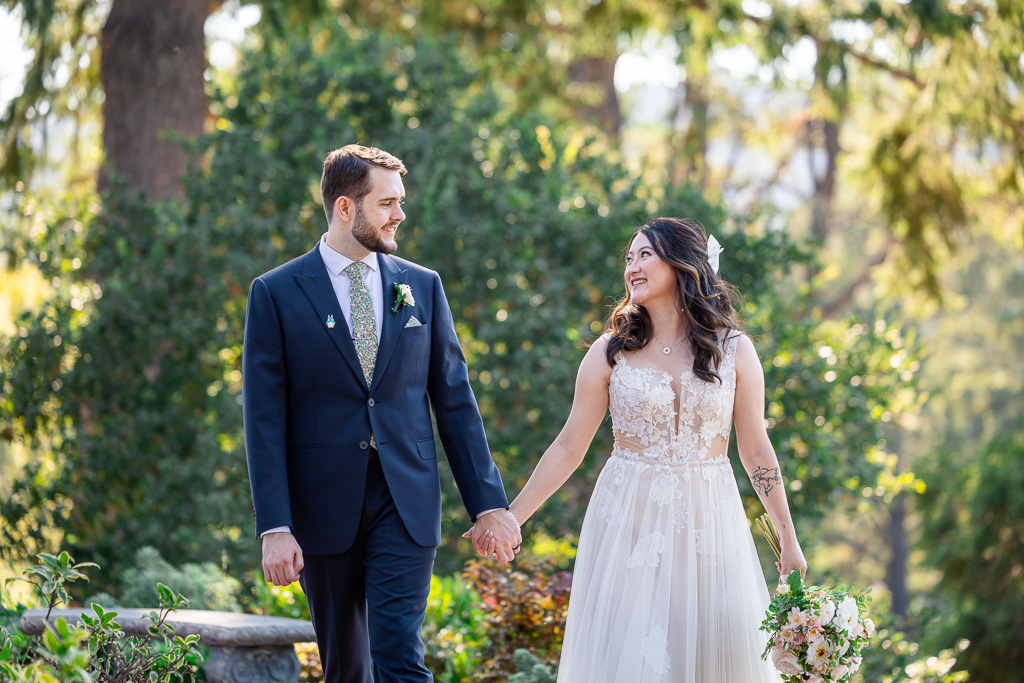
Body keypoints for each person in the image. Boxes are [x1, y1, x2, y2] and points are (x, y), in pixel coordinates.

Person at [476, 217, 807, 681]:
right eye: (628, 258)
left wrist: (788, 540)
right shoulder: (610, 352)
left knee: (714, 651)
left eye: (644, 254)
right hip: (628, 522)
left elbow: (755, 449)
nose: (632, 266)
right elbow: (570, 445)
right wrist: (512, 516)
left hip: (709, 522)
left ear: (682, 263)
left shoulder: (734, 350)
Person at [242, 144, 521, 683]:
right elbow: (264, 418)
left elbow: (455, 401)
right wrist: (275, 526)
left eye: (400, 201)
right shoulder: (274, 293)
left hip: (406, 500)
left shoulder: (422, 285)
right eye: (387, 203)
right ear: (346, 208)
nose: (400, 215)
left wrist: (487, 505)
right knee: (346, 667)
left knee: (399, 655)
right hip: (321, 506)